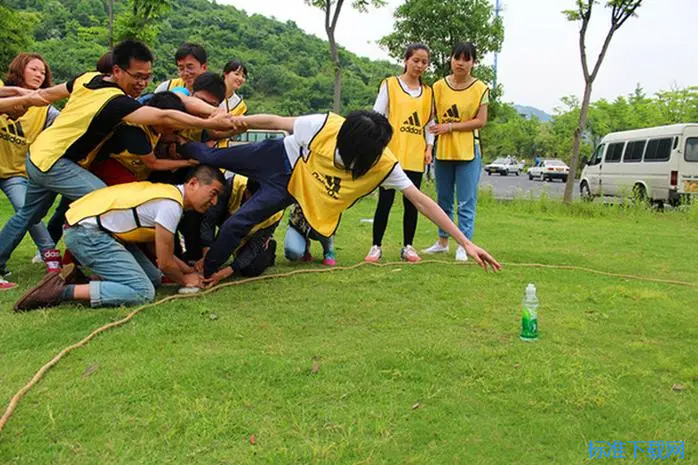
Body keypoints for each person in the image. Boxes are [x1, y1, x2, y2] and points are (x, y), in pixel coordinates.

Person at [0, 39, 236, 286]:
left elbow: (45, 95)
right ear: (116, 71)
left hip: (38, 155)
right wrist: (210, 122)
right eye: (137, 76)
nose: (143, 83)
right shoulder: (118, 103)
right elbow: (164, 115)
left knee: (28, 214)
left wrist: (16, 95)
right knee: (105, 204)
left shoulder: (88, 78)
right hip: (54, 163)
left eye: (147, 77)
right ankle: (86, 267)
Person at [180, 110, 501, 287]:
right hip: (276, 155)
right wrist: (231, 123)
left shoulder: (382, 164)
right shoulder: (326, 125)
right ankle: (170, 144)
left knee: (239, 222)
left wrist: (464, 241)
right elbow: (276, 122)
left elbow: (421, 200)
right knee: (210, 155)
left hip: (291, 185)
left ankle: (204, 272)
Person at [14, 165, 225, 311]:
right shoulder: (171, 204)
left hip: (95, 231)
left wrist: (190, 270)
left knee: (152, 278)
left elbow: (159, 251)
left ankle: (81, 281)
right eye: (213, 193)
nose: (214, 202)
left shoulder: (168, 195)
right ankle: (59, 291)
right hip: (87, 233)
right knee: (142, 292)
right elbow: (166, 262)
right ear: (193, 183)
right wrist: (186, 279)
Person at [365, 44, 434, 264]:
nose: (420, 65)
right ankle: (376, 246)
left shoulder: (428, 92)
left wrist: (429, 147)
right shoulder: (390, 84)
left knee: (412, 202)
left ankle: (408, 247)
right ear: (406, 60)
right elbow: (377, 116)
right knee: (385, 201)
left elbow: (429, 123)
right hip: (391, 154)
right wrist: (376, 145)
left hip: (415, 155)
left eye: (424, 62)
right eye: (416, 60)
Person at [423, 42, 489, 262]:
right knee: (443, 199)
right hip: (443, 151)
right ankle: (442, 242)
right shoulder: (438, 86)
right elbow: (430, 116)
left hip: (468, 151)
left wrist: (450, 127)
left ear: (473, 62)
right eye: (457, 58)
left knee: (466, 201)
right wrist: (429, 144)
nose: (461, 63)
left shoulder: (481, 88)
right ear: (450, 59)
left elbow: (480, 121)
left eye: (466, 59)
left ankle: (464, 244)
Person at [0, 53, 60, 289]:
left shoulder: (46, 109)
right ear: (20, 69)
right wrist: (20, 95)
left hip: (15, 172)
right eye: (34, 69)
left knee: (28, 212)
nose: (39, 74)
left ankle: (50, 257)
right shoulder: (3, 89)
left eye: (43, 72)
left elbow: (66, 125)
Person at [193, 173, 282, 285]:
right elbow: (209, 220)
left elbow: (252, 248)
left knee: (251, 269)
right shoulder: (231, 186)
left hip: (250, 237)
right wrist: (206, 254)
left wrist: (225, 272)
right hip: (225, 223)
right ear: (247, 192)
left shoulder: (276, 213)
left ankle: (269, 249)